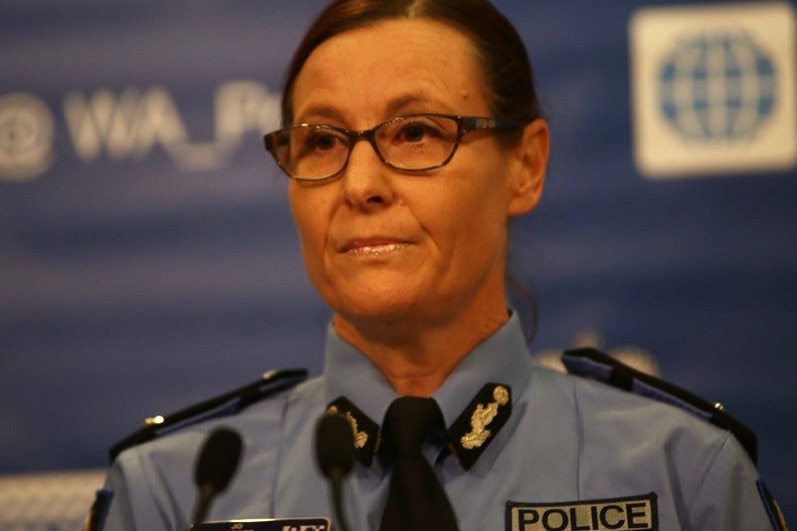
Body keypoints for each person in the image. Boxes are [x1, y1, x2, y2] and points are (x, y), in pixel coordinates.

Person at [96, 1, 786, 530]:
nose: (360, 183)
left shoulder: (679, 471)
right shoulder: (175, 492)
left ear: (526, 166)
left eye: (417, 132)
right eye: (322, 141)